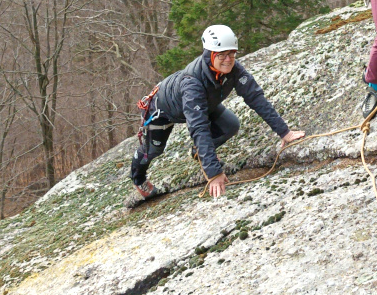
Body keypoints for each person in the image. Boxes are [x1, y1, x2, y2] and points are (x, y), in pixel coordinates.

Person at [129, 25, 304, 205]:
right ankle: (138, 179)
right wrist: (213, 173)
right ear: (210, 54)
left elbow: (257, 99)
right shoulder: (192, 83)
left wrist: (285, 132)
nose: (228, 60)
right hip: (162, 111)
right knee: (153, 150)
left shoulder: (234, 69)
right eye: (222, 55)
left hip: (203, 105)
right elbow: (198, 127)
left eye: (232, 54)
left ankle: (199, 152)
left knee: (230, 125)